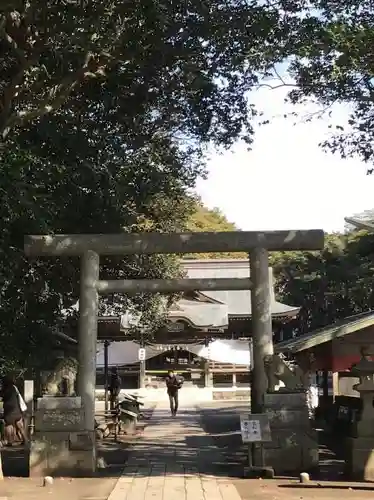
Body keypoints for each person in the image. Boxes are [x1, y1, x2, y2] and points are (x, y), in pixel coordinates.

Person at [0, 376, 26, 446]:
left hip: (9, 411)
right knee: (20, 426)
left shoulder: (5, 389)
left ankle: (10, 442)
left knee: (8, 426)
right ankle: (25, 439)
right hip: (17, 410)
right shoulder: (14, 387)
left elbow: (2, 397)